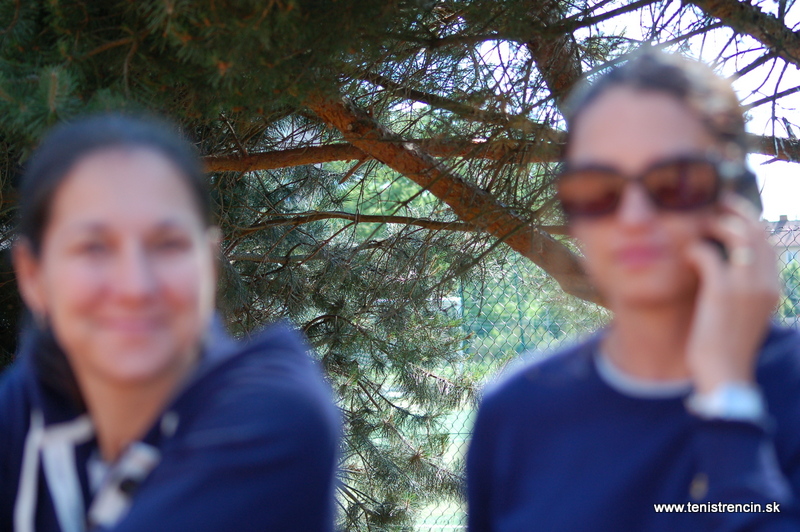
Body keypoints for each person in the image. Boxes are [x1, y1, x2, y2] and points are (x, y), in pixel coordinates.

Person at [467, 51, 800, 531]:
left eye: (674, 182)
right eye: (598, 188)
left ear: (737, 200)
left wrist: (728, 401)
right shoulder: (516, 411)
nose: (634, 217)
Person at [0, 114, 340, 532]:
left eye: (168, 245)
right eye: (93, 247)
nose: (135, 287)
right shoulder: (31, 405)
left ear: (209, 264)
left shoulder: (274, 423)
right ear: (33, 276)